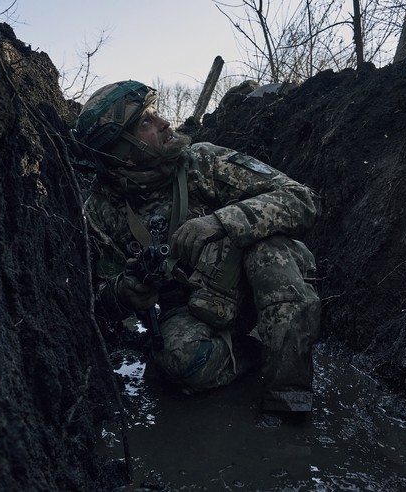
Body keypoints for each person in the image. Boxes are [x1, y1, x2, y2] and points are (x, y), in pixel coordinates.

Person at [71, 80, 321, 413]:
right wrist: (125, 291)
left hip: (258, 284)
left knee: (268, 253)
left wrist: (222, 221)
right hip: (196, 309)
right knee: (178, 361)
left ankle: (289, 397)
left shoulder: (202, 162)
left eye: (154, 113)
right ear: (123, 154)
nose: (163, 123)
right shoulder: (100, 212)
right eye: (145, 122)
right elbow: (95, 298)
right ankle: (260, 351)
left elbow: (302, 199)